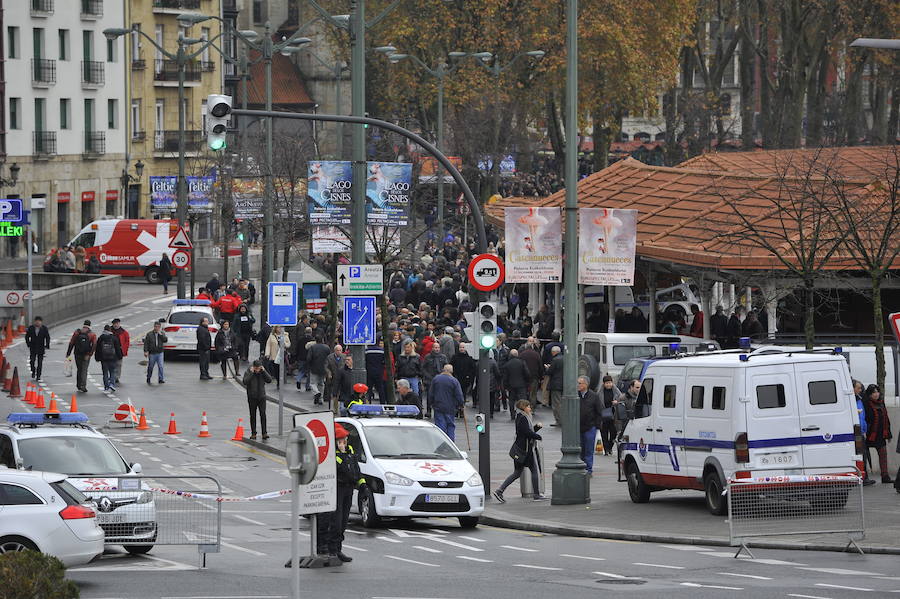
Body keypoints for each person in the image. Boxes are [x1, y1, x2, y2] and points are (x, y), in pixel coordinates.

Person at [317, 423, 365, 563]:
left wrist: (361, 484)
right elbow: (340, 468)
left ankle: (338, 549)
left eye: (345, 440)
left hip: (348, 490)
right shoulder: (334, 455)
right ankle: (331, 550)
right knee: (336, 522)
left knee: (344, 521)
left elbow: (355, 468)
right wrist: (341, 454)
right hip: (337, 488)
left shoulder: (350, 451)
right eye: (340, 441)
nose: (344, 443)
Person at [492, 399, 545, 502]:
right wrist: (537, 436)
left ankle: (500, 491)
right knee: (534, 471)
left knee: (517, 473)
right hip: (525, 450)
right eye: (528, 406)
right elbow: (526, 433)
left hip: (520, 449)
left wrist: (536, 428)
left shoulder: (520, 417)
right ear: (524, 407)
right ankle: (537, 495)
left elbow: (527, 431)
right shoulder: (523, 418)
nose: (530, 408)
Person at [863, 384, 893, 484]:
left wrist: (888, 434)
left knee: (883, 455)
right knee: (864, 456)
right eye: (873, 393)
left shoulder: (881, 403)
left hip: (880, 434)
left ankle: (885, 476)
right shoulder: (865, 403)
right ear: (869, 394)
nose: (876, 394)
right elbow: (865, 418)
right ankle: (864, 477)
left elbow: (886, 418)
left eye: (877, 392)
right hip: (868, 434)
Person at [429, 364, 464, 441]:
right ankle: (451, 442)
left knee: (440, 425)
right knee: (450, 425)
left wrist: (431, 403)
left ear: (443, 370)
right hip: (450, 407)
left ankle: (441, 442)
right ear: (451, 371)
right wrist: (461, 404)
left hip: (438, 406)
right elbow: (459, 394)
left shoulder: (436, 379)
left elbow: (431, 393)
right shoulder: (454, 381)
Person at [577, 376, 603, 473]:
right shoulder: (575, 395)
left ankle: (588, 468)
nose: (578, 385)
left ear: (586, 384)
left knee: (588, 449)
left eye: (580, 383)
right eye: (578, 383)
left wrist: (596, 425)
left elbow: (599, 411)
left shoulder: (594, 396)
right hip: (578, 427)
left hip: (590, 427)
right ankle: (580, 466)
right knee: (580, 449)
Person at [243, 360, 272, 440]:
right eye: (256, 368)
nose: (257, 370)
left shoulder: (262, 372)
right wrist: (252, 373)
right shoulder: (248, 372)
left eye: (259, 368)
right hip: (252, 397)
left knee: (263, 414)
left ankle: (264, 433)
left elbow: (269, 380)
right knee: (253, 415)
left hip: (262, 397)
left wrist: (264, 371)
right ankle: (253, 433)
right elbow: (245, 381)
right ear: (253, 367)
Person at [853, 380, 875, 486]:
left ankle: (864, 476)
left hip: (861, 432)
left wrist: (865, 429)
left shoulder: (859, 400)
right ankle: (862, 477)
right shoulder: (852, 400)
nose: (860, 390)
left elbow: (863, 416)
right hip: (856, 433)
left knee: (864, 455)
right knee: (861, 455)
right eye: (858, 387)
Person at [66, 320, 96, 393]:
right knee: (84, 370)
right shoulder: (92, 334)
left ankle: (78, 385)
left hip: (77, 353)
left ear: (83, 325)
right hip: (86, 354)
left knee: (79, 369)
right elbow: (94, 344)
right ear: (90, 325)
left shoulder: (77, 332)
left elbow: (72, 342)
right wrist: (89, 354)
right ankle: (83, 386)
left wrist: (68, 353)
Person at [421, 343, 448, 418]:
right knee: (430, 395)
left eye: (438, 347)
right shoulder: (428, 357)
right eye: (435, 347)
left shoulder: (443, 357)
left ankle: (439, 410)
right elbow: (423, 367)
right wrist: (427, 376)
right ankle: (428, 410)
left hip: (440, 378)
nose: (437, 349)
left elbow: (446, 366)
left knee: (440, 395)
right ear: (432, 348)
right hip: (430, 378)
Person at [598, 375, 622, 457]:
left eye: (610, 383)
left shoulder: (616, 391)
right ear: (603, 384)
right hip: (603, 415)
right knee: (604, 433)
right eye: (607, 383)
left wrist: (616, 402)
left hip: (614, 415)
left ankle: (610, 447)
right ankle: (606, 449)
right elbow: (597, 402)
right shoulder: (600, 392)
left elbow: (621, 399)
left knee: (613, 432)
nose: (609, 385)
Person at [502, 349, 530, 417]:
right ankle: (523, 413)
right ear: (517, 355)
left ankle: (512, 414)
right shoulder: (522, 362)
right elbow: (527, 373)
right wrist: (527, 382)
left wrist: (505, 386)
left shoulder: (507, 364)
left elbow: (505, 377)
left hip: (511, 385)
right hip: (521, 384)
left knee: (511, 400)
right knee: (522, 399)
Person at [94, 325, 123, 392]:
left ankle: (106, 386)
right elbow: (117, 348)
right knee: (112, 372)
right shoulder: (114, 337)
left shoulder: (101, 338)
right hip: (112, 358)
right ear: (110, 330)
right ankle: (112, 384)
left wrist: (97, 358)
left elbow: (97, 349)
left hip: (103, 358)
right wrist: (119, 356)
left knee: (105, 372)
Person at [307, 336, 331, 405]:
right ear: (322, 340)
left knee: (312, 383)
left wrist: (309, 366)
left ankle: (317, 393)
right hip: (324, 368)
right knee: (321, 383)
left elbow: (309, 358)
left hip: (314, 368)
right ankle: (321, 399)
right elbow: (329, 358)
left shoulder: (312, 347)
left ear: (315, 340)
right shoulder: (327, 348)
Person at [25, 316, 50, 380]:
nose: (38, 323)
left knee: (40, 362)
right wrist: (28, 344)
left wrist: (47, 345)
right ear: (35, 322)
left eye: (39, 321)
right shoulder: (31, 328)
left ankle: (38, 375)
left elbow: (47, 337)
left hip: (41, 347)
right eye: (36, 321)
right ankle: (33, 371)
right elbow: (27, 336)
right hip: (33, 347)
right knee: (32, 361)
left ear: (41, 322)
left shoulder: (44, 328)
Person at [142, 320, 167, 385]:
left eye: (158, 327)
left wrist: (161, 335)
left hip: (160, 352)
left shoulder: (162, 333)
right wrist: (145, 351)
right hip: (152, 353)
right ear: (154, 327)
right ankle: (148, 377)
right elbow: (146, 343)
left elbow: (165, 340)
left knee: (161, 366)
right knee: (151, 366)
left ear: (160, 327)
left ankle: (161, 379)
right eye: (156, 327)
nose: (157, 328)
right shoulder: (149, 334)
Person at [545, 345, 564, 426]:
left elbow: (550, 372)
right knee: (563, 403)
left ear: (554, 352)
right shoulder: (565, 358)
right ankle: (564, 419)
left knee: (556, 403)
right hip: (565, 383)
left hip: (556, 383)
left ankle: (559, 420)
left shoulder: (555, 360)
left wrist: (547, 368)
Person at [110, 318, 130, 384]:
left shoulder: (124, 332)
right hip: (110, 350)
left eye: (117, 323)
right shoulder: (110, 331)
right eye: (114, 324)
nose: (115, 325)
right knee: (111, 364)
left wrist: (124, 349)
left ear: (119, 324)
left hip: (119, 351)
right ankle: (112, 376)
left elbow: (127, 341)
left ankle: (117, 377)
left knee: (118, 364)